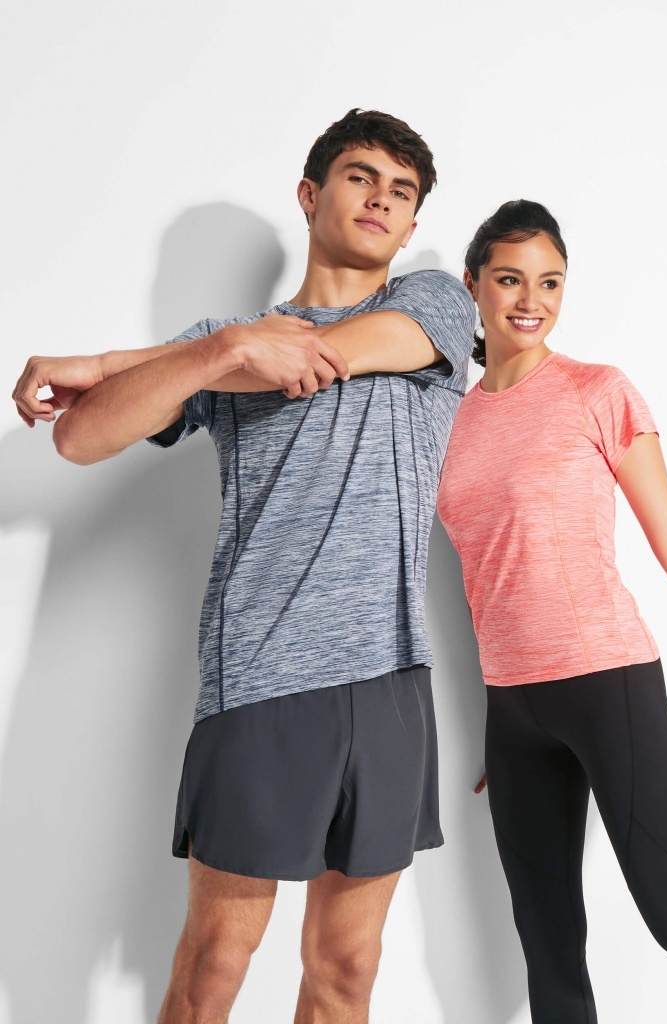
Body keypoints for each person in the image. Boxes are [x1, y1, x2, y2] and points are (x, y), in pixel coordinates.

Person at [11, 109, 474, 1024]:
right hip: (259, 676)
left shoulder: (434, 306)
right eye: (360, 176)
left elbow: (322, 356)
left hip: (388, 677)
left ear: (413, 224)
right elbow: (77, 438)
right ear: (309, 194)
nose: (381, 199)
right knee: (215, 964)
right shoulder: (219, 343)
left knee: (347, 967)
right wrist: (222, 348)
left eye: (401, 191)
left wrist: (115, 360)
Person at [436, 199, 667, 1023]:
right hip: (512, 704)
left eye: (549, 282)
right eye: (509, 279)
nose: (530, 300)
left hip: (604, 679)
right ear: (472, 285)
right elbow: (483, 571)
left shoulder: (594, 391)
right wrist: (497, 709)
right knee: (546, 947)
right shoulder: (448, 420)